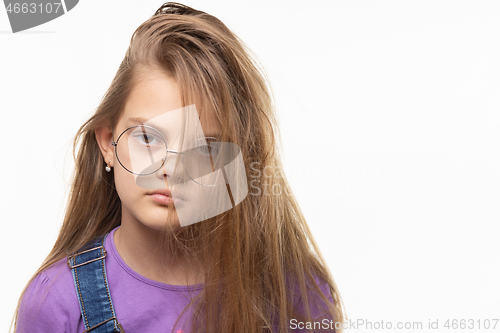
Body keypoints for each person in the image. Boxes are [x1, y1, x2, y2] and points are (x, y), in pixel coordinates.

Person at [11, 2, 345, 332]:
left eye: (204, 148)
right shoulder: (56, 303)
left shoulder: (297, 296)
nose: (172, 169)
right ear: (106, 142)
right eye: (147, 137)